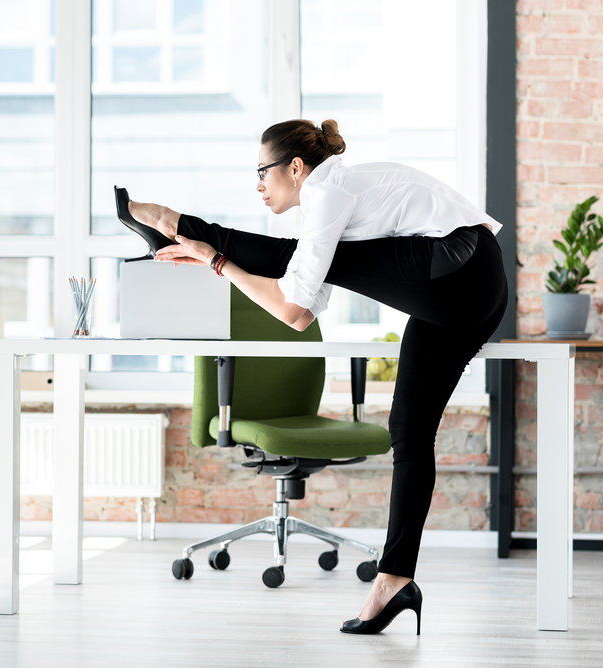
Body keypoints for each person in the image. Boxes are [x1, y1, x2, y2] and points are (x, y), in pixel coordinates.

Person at [115, 119, 507, 635]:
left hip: (459, 271)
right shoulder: (339, 200)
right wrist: (218, 262)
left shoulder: (328, 190)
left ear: (296, 168)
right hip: (466, 293)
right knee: (409, 433)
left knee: (290, 259)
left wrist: (214, 260)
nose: (258, 184)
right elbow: (299, 307)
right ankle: (394, 581)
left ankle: (173, 221)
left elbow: (295, 307)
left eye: (263, 171)